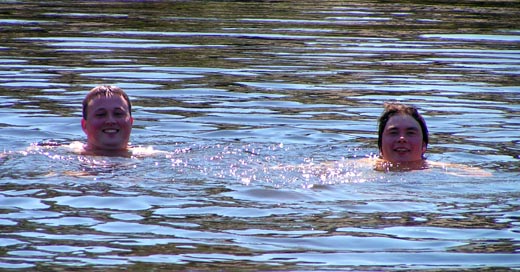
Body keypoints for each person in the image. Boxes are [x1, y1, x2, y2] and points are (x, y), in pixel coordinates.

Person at [78, 85, 134, 156]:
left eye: (118, 114)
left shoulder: (147, 157)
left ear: (131, 122)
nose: (110, 121)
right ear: (84, 125)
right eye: (101, 114)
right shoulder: (67, 155)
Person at [375, 102, 429, 171]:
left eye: (410, 133)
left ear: (423, 145)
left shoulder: (442, 170)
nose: (402, 139)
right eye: (393, 133)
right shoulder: (360, 168)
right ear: (380, 144)